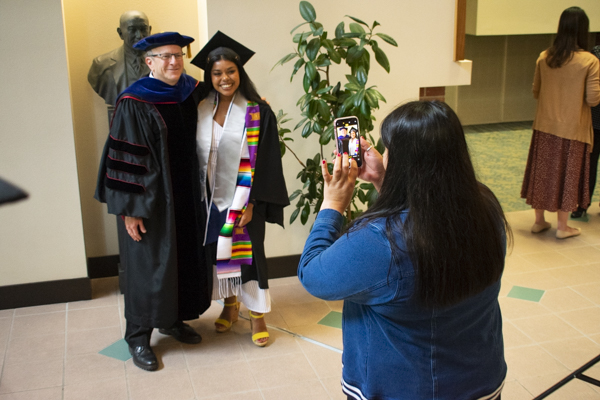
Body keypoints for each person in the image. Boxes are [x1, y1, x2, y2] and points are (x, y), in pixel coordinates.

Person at [298, 101, 508, 399]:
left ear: (403, 162)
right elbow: (425, 222)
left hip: (406, 389)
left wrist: (333, 205)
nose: (383, 156)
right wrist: (384, 180)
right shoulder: (486, 206)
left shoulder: (379, 240)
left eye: (388, 150)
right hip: (480, 381)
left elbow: (313, 275)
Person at [95, 32, 211, 371]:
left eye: (178, 55)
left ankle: (171, 320)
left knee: (184, 260)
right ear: (150, 62)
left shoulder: (190, 90)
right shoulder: (134, 101)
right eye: (165, 56)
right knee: (150, 267)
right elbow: (125, 159)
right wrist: (129, 211)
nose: (174, 61)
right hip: (152, 202)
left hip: (188, 195)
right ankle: (138, 336)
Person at [190, 31, 289, 347]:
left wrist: (252, 203)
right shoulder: (200, 108)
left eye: (230, 71)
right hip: (212, 200)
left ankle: (258, 316)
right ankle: (230, 305)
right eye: (217, 73)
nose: (224, 78)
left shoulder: (258, 111)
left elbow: (269, 160)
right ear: (210, 76)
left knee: (249, 257)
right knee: (220, 256)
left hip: (246, 200)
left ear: (239, 72)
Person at [521, 7, 600, 238]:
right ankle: (563, 227)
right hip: (574, 128)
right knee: (569, 174)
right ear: (583, 30)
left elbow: (536, 90)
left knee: (543, 173)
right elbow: (593, 99)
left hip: (544, 126)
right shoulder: (590, 61)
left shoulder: (545, 56)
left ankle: (539, 221)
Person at [88, 11, 152, 106]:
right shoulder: (101, 64)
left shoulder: (168, 63)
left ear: (150, 30)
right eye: (132, 30)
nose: (139, 35)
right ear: (120, 33)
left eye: (143, 29)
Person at [572, 35, 600, 218]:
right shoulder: (596, 54)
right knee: (589, 162)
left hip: (595, 116)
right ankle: (582, 204)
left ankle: (581, 206)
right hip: (595, 117)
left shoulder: (595, 53)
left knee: (589, 162)